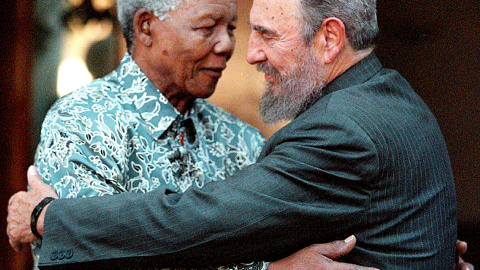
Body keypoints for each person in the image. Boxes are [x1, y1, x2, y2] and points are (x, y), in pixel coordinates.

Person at [6, 0, 473, 269]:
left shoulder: (256, 137)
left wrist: (51, 217)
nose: (238, 50)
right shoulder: (83, 121)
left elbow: (212, 223)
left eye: (247, 30)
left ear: (329, 39)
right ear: (146, 26)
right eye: (210, 27)